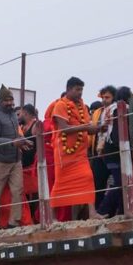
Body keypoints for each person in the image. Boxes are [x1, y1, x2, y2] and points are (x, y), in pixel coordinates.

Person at [51, 77, 105, 219]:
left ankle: (92, 213)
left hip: (80, 154)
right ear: (69, 89)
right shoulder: (60, 105)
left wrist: (99, 128)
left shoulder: (83, 106)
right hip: (65, 153)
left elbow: (89, 130)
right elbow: (64, 129)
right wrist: (86, 127)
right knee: (60, 184)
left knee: (87, 177)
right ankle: (52, 216)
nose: (80, 93)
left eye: (81, 90)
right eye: (77, 89)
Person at [0, 85, 31, 229]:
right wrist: (13, 142)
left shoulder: (13, 114)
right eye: (7, 101)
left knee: (18, 191)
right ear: (0, 101)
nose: (11, 103)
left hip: (16, 159)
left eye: (12, 100)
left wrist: (22, 142)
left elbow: (15, 134)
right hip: (0, 161)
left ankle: (14, 222)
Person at [98, 86, 132, 217]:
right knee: (121, 183)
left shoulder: (107, 110)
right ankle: (103, 210)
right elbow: (119, 134)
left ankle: (120, 211)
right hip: (117, 151)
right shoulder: (122, 109)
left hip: (108, 150)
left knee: (120, 183)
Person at [90, 85, 116, 206]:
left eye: (107, 97)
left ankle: (108, 211)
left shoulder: (115, 110)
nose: (104, 100)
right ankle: (98, 212)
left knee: (116, 185)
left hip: (112, 153)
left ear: (113, 98)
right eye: (103, 97)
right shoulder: (97, 112)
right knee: (98, 185)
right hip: (98, 154)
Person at [18, 104, 40, 220]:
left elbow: (40, 142)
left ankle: (35, 218)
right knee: (25, 195)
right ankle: (27, 218)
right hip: (22, 167)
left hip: (32, 166)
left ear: (26, 113)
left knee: (35, 193)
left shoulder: (35, 125)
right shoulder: (21, 127)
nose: (19, 116)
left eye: (20, 113)